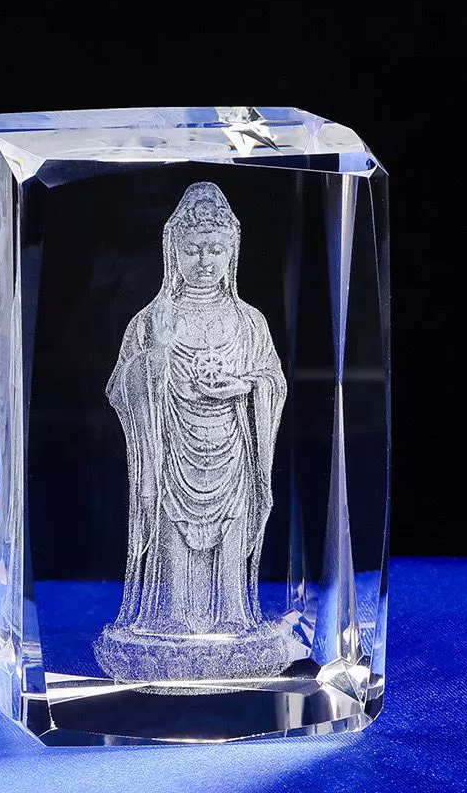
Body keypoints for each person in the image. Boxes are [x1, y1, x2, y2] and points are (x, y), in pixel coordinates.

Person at [95, 181, 287, 681]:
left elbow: (273, 380)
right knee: (174, 533)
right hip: (171, 452)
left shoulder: (250, 323)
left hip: (233, 451)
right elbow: (121, 385)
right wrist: (156, 361)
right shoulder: (151, 320)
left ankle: (234, 620)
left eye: (216, 250)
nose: (204, 261)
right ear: (173, 251)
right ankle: (172, 622)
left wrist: (244, 386)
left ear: (232, 252)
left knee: (231, 533)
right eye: (193, 250)